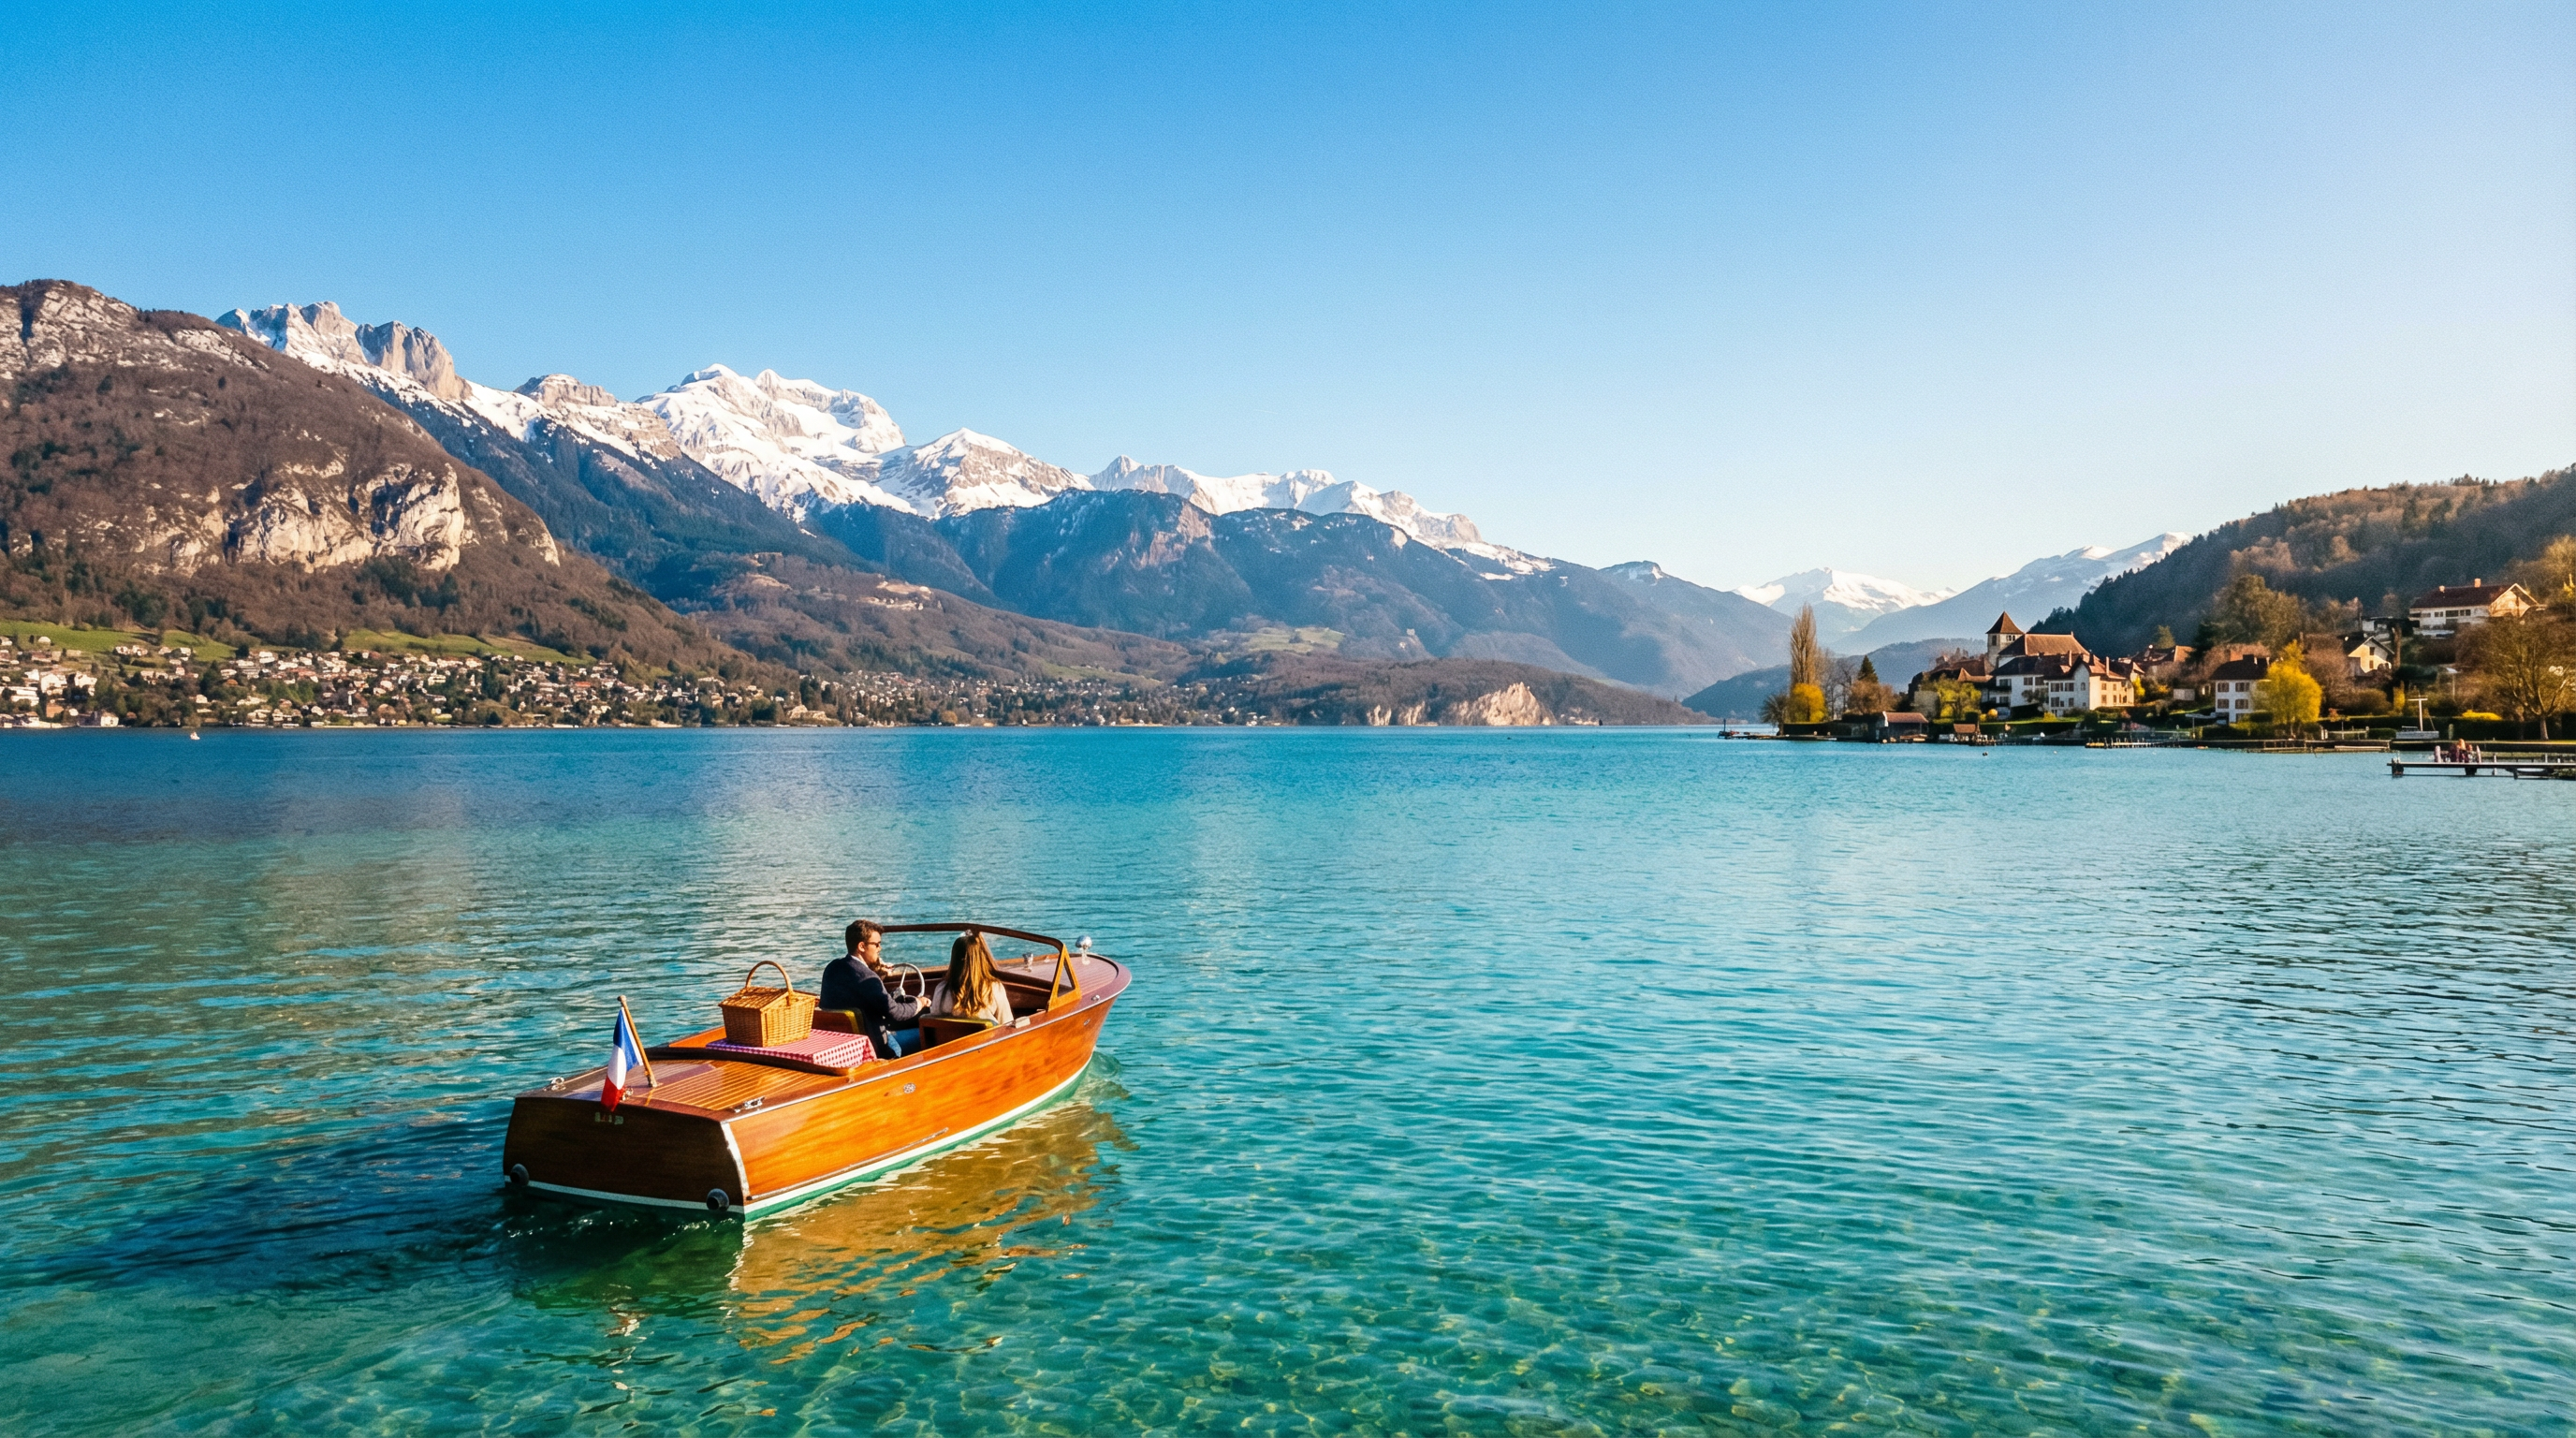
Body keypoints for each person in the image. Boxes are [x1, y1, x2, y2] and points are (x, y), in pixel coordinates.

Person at [820, 920, 925, 1059]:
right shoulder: (868, 978)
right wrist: (919, 1003)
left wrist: (878, 974)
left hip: (844, 1045)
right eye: (876, 944)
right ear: (862, 946)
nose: (880, 948)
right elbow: (897, 1013)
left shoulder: (833, 968)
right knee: (924, 1033)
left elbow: (862, 995)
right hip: (876, 1048)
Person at [928, 931, 1014, 1029]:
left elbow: (934, 1025)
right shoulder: (994, 989)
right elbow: (1007, 1026)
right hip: (985, 1043)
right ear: (981, 959)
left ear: (954, 959)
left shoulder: (941, 990)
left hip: (949, 1043)